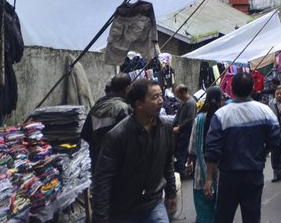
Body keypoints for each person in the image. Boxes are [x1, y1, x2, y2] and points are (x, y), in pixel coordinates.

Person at [92, 79, 178, 223]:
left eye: (161, 95)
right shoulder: (117, 136)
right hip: (123, 210)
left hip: (153, 204)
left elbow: (168, 163)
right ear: (139, 104)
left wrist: (171, 192)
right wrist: (101, 218)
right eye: (154, 97)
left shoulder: (166, 128)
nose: (161, 101)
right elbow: (103, 180)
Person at [204, 72, 281, 223]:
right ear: (253, 88)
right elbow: (275, 140)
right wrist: (262, 153)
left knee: (223, 217)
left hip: (228, 176)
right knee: (252, 217)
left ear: (231, 89)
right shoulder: (266, 112)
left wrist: (208, 178)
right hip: (254, 174)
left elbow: (212, 149)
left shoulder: (221, 115)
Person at [188, 87, 226, 223]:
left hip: (201, 170)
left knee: (203, 206)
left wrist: (189, 162)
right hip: (221, 169)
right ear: (221, 100)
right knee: (220, 206)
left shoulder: (199, 119)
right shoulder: (223, 118)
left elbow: (192, 146)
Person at [83, 75, 134, 169]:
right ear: (127, 88)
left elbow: (85, 134)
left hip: (97, 161)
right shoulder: (124, 109)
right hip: (117, 164)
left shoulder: (97, 106)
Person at [172, 84, 197, 176]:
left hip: (187, 132)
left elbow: (191, 119)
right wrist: (172, 125)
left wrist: (180, 127)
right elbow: (178, 115)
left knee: (183, 152)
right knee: (179, 151)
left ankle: (182, 172)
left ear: (183, 93)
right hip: (181, 131)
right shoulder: (183, 101)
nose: (177, 97)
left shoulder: (191, 103)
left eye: (178, 94)